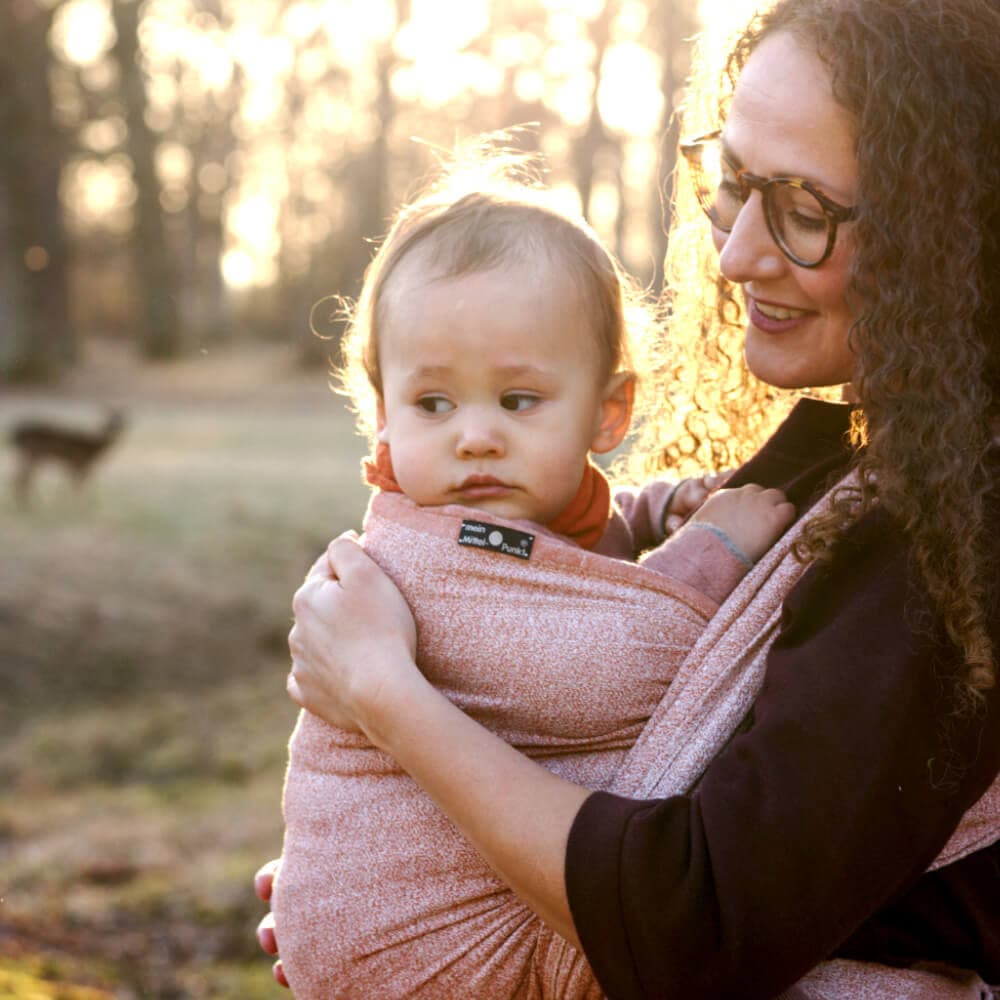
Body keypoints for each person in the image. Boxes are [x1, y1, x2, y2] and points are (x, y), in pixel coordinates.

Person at [260, 0, 1000, 995]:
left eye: (804, 211)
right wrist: (379, 876)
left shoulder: (952, 534)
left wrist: (387, 699)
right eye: (732, 183)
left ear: (951, 225)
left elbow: (695, 921)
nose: (735, 252)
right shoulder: (858, 456)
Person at [270, 159, 796, 997]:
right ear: (382, 413)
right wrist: (710, 549)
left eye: (517, 401)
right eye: (432, 405)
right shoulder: (414, 560)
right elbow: (611, 667)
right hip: (431, 944)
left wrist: (663, 509)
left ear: (608, 411)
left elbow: (583, 544)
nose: (474, 436)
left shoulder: (524, 521)